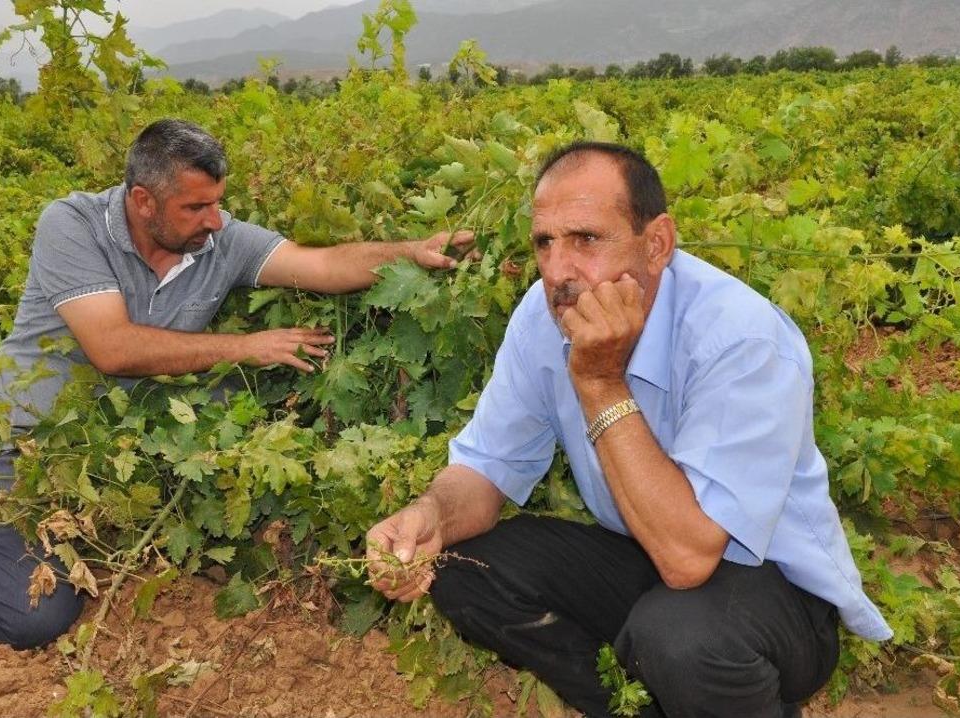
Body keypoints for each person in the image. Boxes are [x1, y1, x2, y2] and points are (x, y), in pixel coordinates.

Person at [366, 142, 892, 718]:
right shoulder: (543, 319)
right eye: (545, 242)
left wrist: (600, 382)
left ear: (657, 243)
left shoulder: (739, 340)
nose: (559, 270)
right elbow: (488, 465)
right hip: (649, 555)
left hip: (772, 593)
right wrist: (430, 517)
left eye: (586, 239)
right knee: (465, 569)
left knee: (679, 637)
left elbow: (691, 558)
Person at [0, 118, 473, 649]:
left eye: (217, 203)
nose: (216, 221)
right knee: (32, 619)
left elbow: (319, 264)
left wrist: (412, 251)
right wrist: (246, 347)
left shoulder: (218, 239)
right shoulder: (72, 224)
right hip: (29, 444)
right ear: (143, 201)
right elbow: (111, 347)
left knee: (230, 403)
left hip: (114, 450)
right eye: (195, 208)